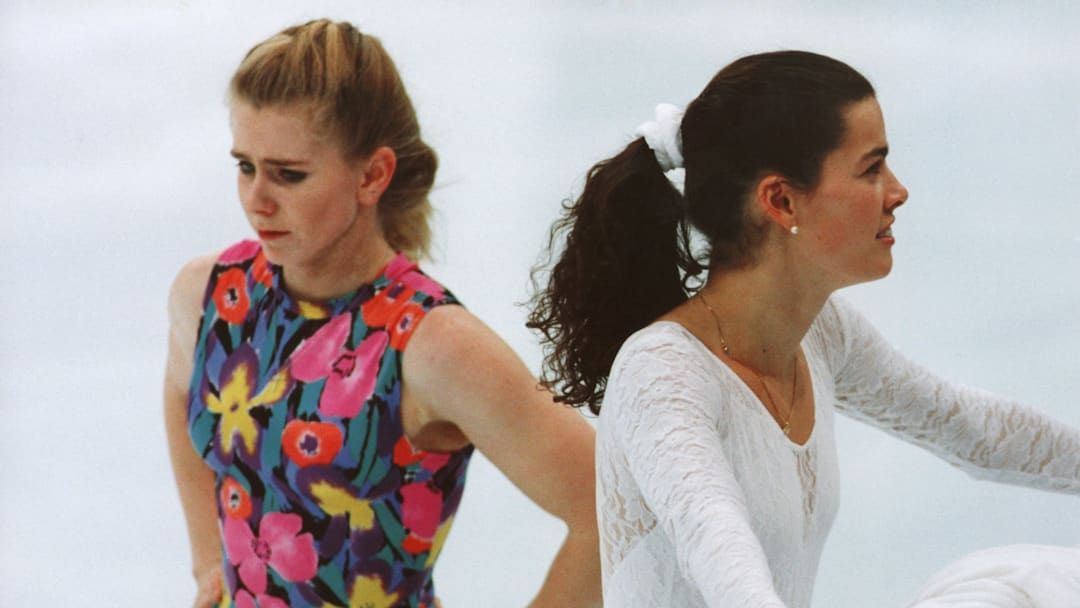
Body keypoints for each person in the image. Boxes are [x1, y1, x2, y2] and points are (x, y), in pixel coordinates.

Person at [527, 50, 1080, 607]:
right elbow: (721, 556)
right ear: (782, 200)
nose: (897, 192)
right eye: (871, 169)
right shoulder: (662, 375)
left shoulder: (822, 333)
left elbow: (968, 427)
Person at [164, 19, 599, 608]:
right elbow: (180, 391)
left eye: (288, 174)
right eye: (245, 166)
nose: (256, 199)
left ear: (372, 175)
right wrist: (207, 562)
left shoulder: (431, 344)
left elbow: (612, 509)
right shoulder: (211, 294)